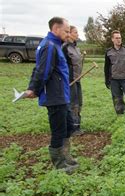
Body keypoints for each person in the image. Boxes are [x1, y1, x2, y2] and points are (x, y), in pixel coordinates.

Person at [25, 17, 78, 174]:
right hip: (55, 97)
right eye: (66, 31)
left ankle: (66, 157)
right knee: (59, 131)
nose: (68, 34)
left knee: (68, 127)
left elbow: (40, 68)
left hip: (62, 95)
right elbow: (42, 70)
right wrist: (34, 89)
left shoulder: (55, 45)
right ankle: (59, 165)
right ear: (56, 29)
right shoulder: (49, 46)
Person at [62, 25, 84, 136]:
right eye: (75, 32)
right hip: (70, 80)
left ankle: (77, 126)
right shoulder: (65, 48)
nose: (77, 34)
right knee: (73, 104)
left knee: (79, 103)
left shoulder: (76, 48)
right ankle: (73, 128)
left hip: (77, 79)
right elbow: (64, 66)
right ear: (69, 34)